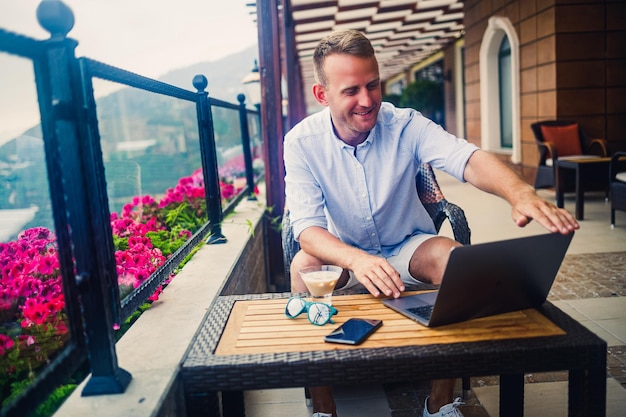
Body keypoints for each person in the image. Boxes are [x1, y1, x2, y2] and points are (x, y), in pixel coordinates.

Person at [283, 29, 579, 417]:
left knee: (454, 260)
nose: (368, 100)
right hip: (343, 252)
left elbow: (467, 158)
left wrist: (518, 191)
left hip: (406, 245)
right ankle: (323, 405)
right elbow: (306, 229)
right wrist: (357, 260)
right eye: (351, 90)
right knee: (303, 267)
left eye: (373, 85)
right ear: (323, 95)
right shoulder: (301, 142)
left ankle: (439, 403)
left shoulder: (405, 124)